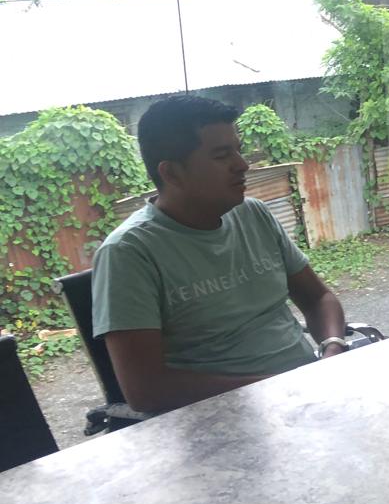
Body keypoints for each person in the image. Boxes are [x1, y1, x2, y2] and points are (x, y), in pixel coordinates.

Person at [92, 95, 349, 414]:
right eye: (221, 155)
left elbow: (318, 298)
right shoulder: (129, 253)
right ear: (172, 173)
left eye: (238, 150)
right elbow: (146, 391)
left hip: (307, 395)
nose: (242, 164)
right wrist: (275, 389)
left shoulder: (253, 214)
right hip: (220, 417)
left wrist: (332, 348)